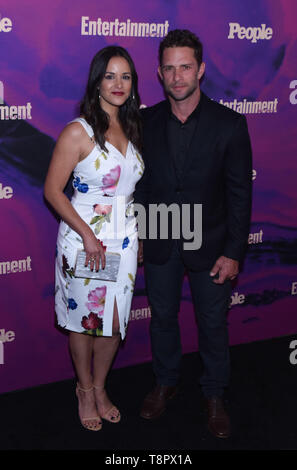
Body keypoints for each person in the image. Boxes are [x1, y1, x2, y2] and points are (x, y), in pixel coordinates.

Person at [134, 29, 252, 438]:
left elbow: (239, 194)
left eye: (185, 67)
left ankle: (215, 393)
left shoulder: (230, 124)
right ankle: (165, 382)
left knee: (213, 322)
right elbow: (142, 187)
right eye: (169, 68)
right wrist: (145, 239)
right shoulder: (144, 121)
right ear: (159, 73)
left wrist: (233, 250)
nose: (178, 76)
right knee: (163, 318)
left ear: (200, 69)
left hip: (212, 244)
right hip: (162, 238)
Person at [44, 46, 143, 431]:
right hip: (86, 241)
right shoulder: (78, 131)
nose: (118, 84)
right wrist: (87, 235)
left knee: (113, 321)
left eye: (126, 77)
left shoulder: (135, 128)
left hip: (126, 239)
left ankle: (101, 387)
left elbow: (131, 193)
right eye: (110, 76)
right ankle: (84, 390)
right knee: (84, 321)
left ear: (133, 84)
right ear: (97, 81)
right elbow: (53, 190)